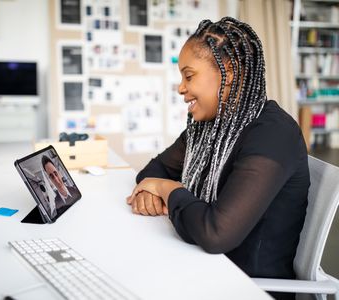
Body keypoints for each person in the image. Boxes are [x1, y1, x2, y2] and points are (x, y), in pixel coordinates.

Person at [127, 17, 309, 300]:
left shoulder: (274, 134)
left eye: (189, 76)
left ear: (229, 72)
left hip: (246, 288)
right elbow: (153, 171)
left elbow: (216, 233)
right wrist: (151, 187)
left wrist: (167, 189)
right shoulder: (209, 126)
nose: (180, 88)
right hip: (201, 268)